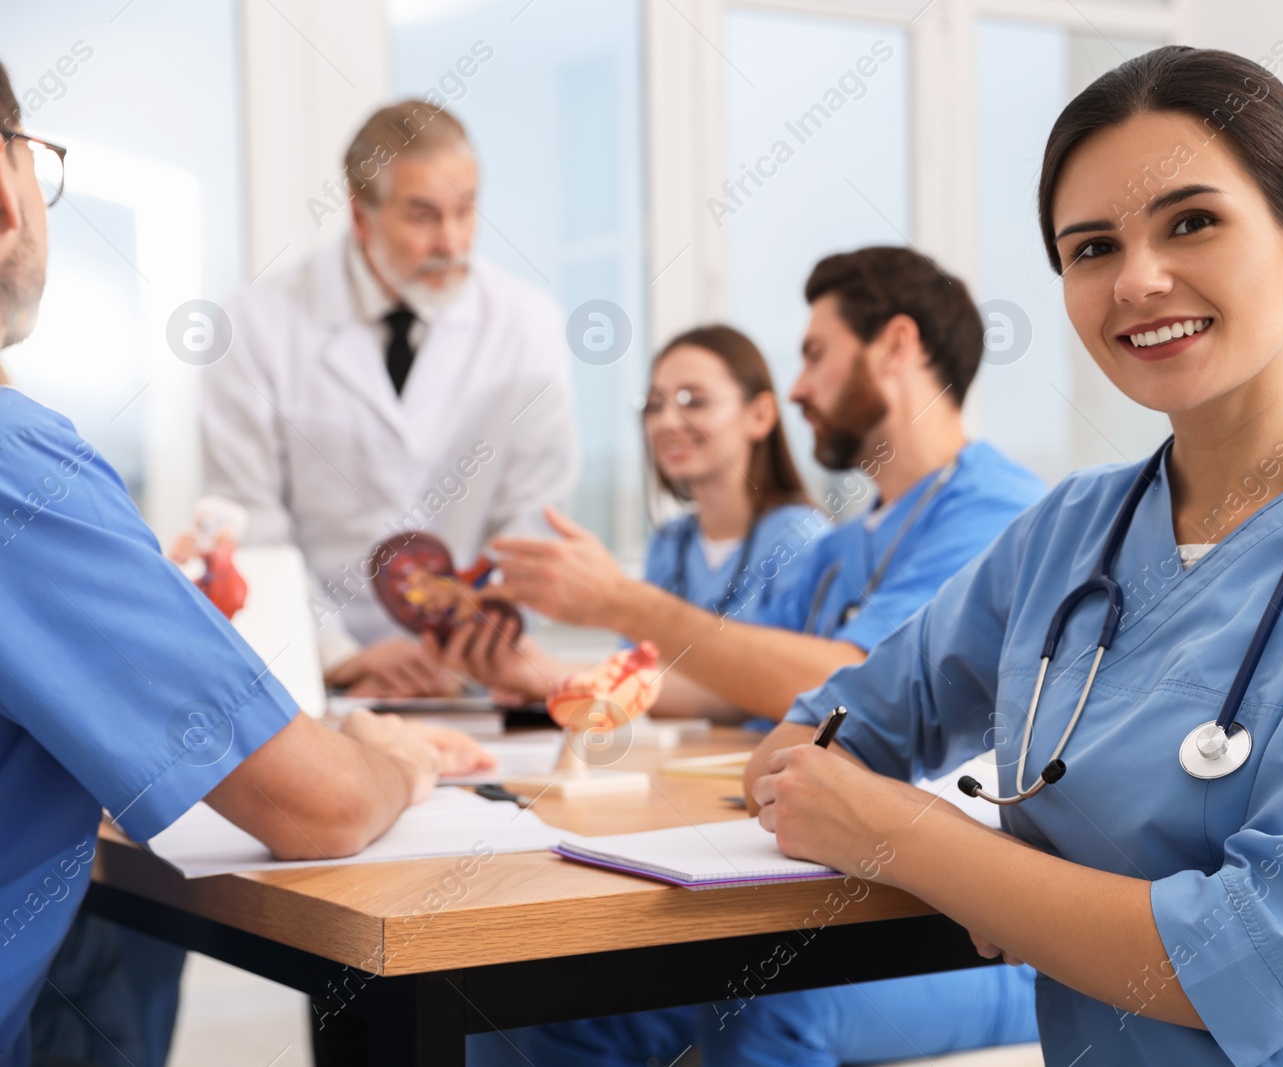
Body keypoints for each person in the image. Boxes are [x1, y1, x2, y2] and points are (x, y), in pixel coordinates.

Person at [744, 45, 1283, 1067]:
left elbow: (1256, 958)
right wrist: (933, 845)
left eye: (1191, 222)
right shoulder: (1067, 533)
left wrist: (923, 846)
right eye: (1089, 248)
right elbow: (823, 737)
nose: (1136, 279)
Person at [0, 63, 495, 1067]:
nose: (448, 239)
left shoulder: (511, 322)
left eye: (465, 211)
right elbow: (327, 805)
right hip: (326, 698)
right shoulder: (28, 475)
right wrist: (386, 754)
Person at [453, 249, 1046, 1065]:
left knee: (760, 1011)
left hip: (961, 927)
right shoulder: (843, 547)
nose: (796, 386)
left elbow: (844, 686)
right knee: (539, 1009)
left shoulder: (998, 514)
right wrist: (541, 675)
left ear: (897, 345)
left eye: (813, 354)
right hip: (827, 886)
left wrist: (621, 601)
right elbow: (717, 677)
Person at [202, 99, 579, 699]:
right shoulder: (257, 325)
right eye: (423, 215)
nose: (452, 241)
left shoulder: (527, 324)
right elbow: (252, 525)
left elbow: (535, 511)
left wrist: (484, 627)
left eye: (466, 210)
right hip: (320, 681)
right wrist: (340, 656)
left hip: (471, 674)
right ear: (359, 215)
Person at [444, 323, 821, 718]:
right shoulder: (670, 544)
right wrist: (530, 670)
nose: (667, 422)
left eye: (693, 400)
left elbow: (779, 688)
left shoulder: (801, 538)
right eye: (654, 406)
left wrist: (556, 676)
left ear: (760, 415)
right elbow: (634, 677)